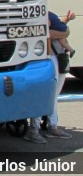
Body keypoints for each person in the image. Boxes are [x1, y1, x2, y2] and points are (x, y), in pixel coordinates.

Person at [24, 10, 76, 143]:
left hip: (54, 56)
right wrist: (65, 32)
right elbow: (49, 33)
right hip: (48, 57)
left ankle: (51, 126)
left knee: (52, 95)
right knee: (46, 94)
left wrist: (65, 23)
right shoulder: (40, 15)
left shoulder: (46, 14)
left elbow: (53, 31)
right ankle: (35, 130)